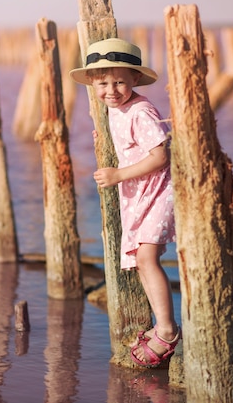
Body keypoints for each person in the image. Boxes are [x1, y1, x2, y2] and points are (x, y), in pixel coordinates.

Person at [70, 38, 180, 368]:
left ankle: (167, 332)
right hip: (141, 193)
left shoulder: (142, 110)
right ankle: (162, 325)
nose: (112, 90)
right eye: (103, 82)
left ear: (134, 79)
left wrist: (118, 174)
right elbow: (125, 139)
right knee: (141, 260)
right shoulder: (114, 109)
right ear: (92, 83)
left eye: (120, 81)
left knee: (146, 257)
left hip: (158, 190)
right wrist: (104, 140)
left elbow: (160, 156)